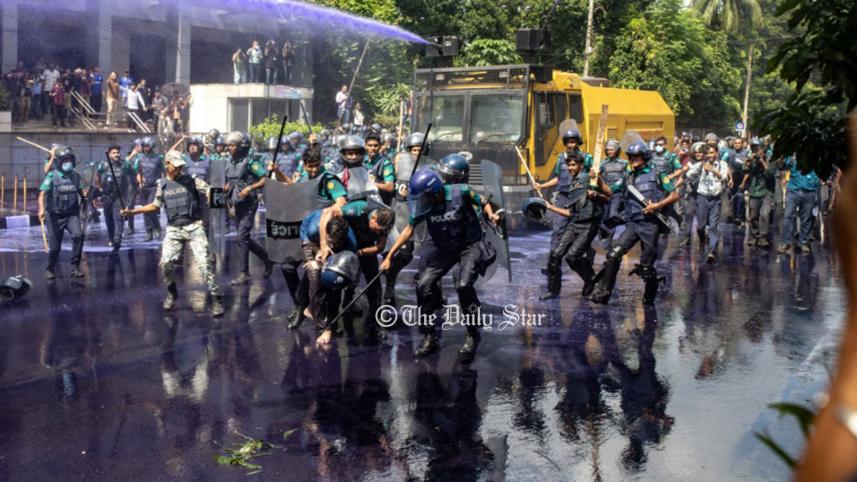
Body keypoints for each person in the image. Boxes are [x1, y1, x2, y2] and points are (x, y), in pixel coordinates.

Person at [380, 169, 501, 360]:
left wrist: (492, 215)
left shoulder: (460, 191)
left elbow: (483, 202)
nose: (421, 199)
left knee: (463, 286)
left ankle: (473, 333)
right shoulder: (423, 204)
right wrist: (389, 256)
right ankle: (430, 337)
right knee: (423, 286)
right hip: (444, 248)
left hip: (469, 245)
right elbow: (408, 230)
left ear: (435, 192)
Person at [121, 151, 225, 317]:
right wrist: (132, 212)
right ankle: (172, 292)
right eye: (175, 166)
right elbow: (155, 206)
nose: (178, 169)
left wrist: (211, 196)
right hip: (174, 229)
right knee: (166, 264)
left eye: (180, 167)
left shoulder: (190, 180)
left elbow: (210, 190)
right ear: (167, 164)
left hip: (194, 226)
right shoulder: (162, 185)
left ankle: (216, 298)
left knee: (205, 264)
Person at [588, 140, 679, 305]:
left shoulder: (658, 174)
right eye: (631, 157)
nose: (634, 160)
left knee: (645, 268)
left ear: (644, 157)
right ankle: (602, 295)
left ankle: (650, 296)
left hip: (650, 225)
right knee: (613, 255)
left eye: (637, 157)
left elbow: (674, 195)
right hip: (632, 225)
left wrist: (656, 206)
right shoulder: (627, 177)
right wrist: (598, 178)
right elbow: (609, 191)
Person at [539, 151, 611, 299]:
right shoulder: (571, 185)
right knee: (555, 255)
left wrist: (597, 184)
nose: (570, 167)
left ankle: (589, 278)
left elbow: (608, 196)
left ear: (580, 165)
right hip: (574, 223)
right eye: (568, 165)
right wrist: (550, 207)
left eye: (573, 164)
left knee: (572, 257)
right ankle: (553, 291)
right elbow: (570, 213)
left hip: (589, 224)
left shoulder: (589, 178)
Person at [532, 128, 593, 300]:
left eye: (574, 141)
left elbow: (594, 178)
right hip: (562, 199)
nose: (571, 145)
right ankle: (553, 284)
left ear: (578, 143)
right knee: (557, 237)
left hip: (580, 200)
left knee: (579, 246)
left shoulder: (587, 158)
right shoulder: (561, 159)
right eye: (568, 142)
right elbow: (559, 178)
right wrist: (542, 186)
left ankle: (590, 278)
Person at [223, 131, 274, 285]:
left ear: (240, 146)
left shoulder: (251, 162)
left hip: (249, 203)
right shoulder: (228, 162)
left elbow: (265, 179)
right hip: (236, 202)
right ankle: (267, 258)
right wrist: (225, 188)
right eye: (228, 146)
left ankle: (244, 273)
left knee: (242, 236)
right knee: (242, 237)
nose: (229, 148)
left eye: (231, 145)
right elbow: (230, 180)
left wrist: (251, 188)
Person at [38, 147, 86, 279]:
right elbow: (42, 194)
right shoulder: (52, 176)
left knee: (78, 236)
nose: (68, 162)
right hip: (54, 215)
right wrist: (41, 209)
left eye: (70, 160)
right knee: (54, 247)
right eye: (65, 160)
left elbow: (82, 192)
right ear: (59, 162)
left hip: (71, 214)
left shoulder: (76, 176)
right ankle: (50, 268)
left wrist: (86, 196)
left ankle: (75, 267)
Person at [683, 144, 730, 263]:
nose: (710, 155)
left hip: (715, 198)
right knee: (700, 227)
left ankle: (711, 252)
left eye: (712, 153)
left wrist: (713, 170)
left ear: (716, 153)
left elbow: (724, 177)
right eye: (708, 153)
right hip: (702, 198)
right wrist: (699, 168)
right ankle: (702, 240)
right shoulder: (700, 165)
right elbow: (688, 175)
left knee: (713, 226)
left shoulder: (722, 164)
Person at [778, 155, 821, 254]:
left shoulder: (815, 156)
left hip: (809, 191)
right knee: (787, 216)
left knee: (806, 218)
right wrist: (781, 157)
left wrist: (816, 181)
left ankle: (803, 242)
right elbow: (781, 167)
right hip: (793, 190)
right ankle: (785, 242)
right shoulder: (792, 157)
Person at [96, 144, 134, 251]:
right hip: (107, 196)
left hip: (119, 195)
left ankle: (117, 241)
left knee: (119, 218)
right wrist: (100, 189)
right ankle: (111, 238)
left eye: (118, 152)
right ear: (109, 154)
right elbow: (97, 176)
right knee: (109, 219)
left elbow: (131, 176)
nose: (117, 154)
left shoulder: (124, 165)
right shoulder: (103, 165)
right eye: (114, 153)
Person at [740, 138, 777, 248]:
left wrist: (762, 162)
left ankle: (763, 237)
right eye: (754, 149)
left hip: (767, 191)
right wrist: (747, 163)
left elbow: (770, 174)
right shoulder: (751, 158)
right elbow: (745, 171)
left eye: (758, 148)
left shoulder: (770, 158)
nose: (757, 151)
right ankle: (754, 236)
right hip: (754, 191)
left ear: (763, 149)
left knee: (764, 214)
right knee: (753, 215)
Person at [597, 139, 628, 249]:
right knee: (604, 217)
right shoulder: (603, 164)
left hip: (617, 194)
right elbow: (598, 176)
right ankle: (605, 238)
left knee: (612, 216)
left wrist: (613, 188)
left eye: (612, 149)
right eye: (608, 150)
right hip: (605, 194)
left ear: (617, 150)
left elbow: (625, 178)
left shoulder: (624, 164)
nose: (610, 151)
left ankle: (609, 242)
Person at [132, 137, 164, 241]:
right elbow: (136, 171)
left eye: (147, 146)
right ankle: (149, 232)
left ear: (152, 146)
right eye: (144, 146)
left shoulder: (158, 158)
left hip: (154, 187)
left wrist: (163, 184)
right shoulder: (139, 157)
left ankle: (157, 228)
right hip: (143, 187)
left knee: (151, 209)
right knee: (145, 210)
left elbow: (163, 172)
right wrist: (139, 179)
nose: (146, 148)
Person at [364, 134, 396, 205]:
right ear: (365, 146)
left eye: (376, 145)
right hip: (363, 200)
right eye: (370, 145)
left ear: (380, 146)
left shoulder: (386, 163)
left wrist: (370, 185)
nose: (373, 148)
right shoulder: (361, 161)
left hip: (380, 202)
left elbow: (389, 187)